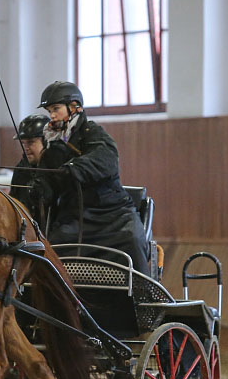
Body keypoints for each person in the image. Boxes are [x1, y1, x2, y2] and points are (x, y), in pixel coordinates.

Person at [33, 80, 149, 274]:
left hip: (114, 215)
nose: (51, 116)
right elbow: (48, 182)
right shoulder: (52, 146)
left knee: (133, 239)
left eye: (56, 109)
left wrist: (74, 168)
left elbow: (105, 161)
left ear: (74, 107)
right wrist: (38, 190)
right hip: (74, 218)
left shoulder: (94, 132)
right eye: (49, 111)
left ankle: (144, 296)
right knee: (52, 247)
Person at [9, 113, 50, 218]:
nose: (26, 147)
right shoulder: (20, 169)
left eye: (31, 142)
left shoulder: (56, 169)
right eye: (24, 143)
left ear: (46, 141)